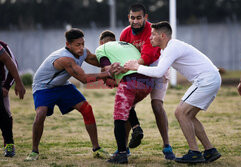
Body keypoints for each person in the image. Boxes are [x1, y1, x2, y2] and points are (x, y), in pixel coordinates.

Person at [124, 21, 222, 163]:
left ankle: (194, 152)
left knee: (180, 113)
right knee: (189, 116)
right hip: (210, 79)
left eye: (153, 35)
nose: (149, 37)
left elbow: (158, 72)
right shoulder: (168, 49)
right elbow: (160, 70)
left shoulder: (172, 47)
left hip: (206, 80)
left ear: (162, 36)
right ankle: (210, 150)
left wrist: (136, 66)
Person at [25, 28, 114, 161]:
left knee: (87, 109)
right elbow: (84, 78)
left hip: (62, 85)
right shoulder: (64, 59)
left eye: (83, 44)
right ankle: (34, 151)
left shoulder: (83, 52)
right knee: (41, 114)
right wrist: (106, 74)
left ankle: (97, 149)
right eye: (78, 45)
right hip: (44, 86)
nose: (81, 48)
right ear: (68, 45)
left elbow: (99, 62)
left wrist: (113, 63)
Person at [119, 3, 175, 160]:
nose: (135, 21)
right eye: (132, 18)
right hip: (137, 69)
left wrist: (130, 67)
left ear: (145, 17)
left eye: (139, 18)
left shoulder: (153, 32)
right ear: (128, 18)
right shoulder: (125, 34)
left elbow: (148, 57)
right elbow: (121, 55)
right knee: (128, 106)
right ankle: (124, 148)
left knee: (157, 105)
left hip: (157, 67)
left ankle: (167, 146)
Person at [96, 30, 153, 164]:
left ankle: (121, 153)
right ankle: (136, 128)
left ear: (101, 42)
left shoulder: (101, 48)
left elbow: (108, 68)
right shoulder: (128, 45)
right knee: (128, 106)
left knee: (119, 116)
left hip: (129, 81)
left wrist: (106, 75)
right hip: (148, 82)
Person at [0, 41, 26, 157]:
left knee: (3, 113)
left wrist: (8, 85)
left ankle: (9, 144)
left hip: (0, 84)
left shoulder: (2, 46)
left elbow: (11, 63)